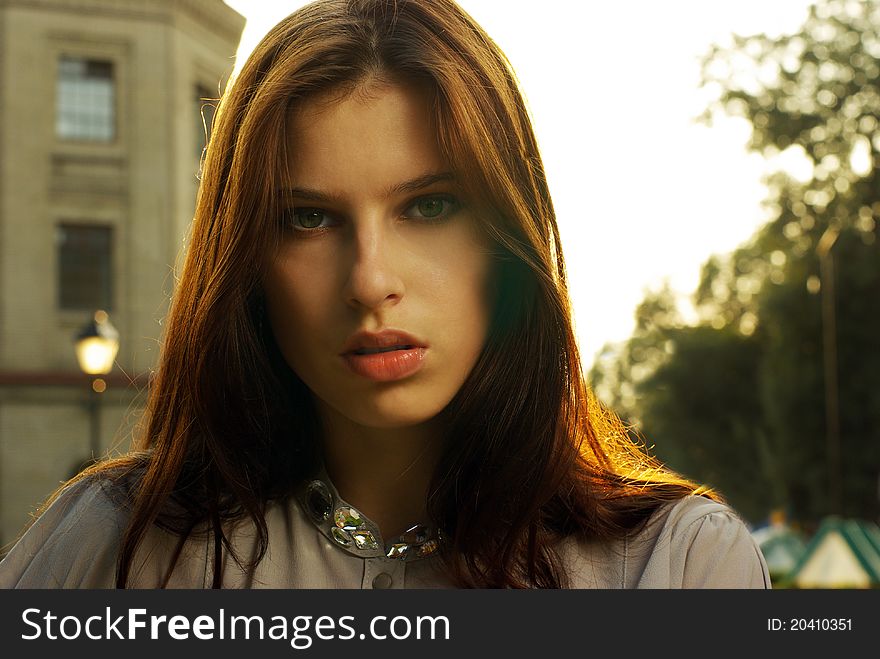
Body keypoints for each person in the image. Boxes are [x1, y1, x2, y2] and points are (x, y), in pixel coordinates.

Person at [0, 0, 769, 589]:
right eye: (307, 217)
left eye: (428, 205)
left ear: (510, 233)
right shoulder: (117, 545)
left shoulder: (675, 566)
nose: (370, 280)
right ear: (247, 261)